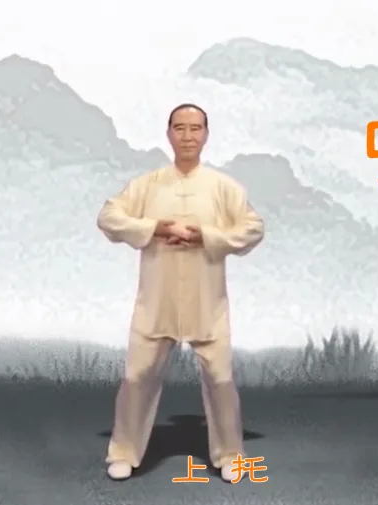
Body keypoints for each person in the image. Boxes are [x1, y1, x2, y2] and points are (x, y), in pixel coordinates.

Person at [96, 103, 265, 482]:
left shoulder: (223, 187)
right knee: (137, 376)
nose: (188, 136)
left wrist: (208, 236)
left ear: (206, 134)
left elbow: (253, 228)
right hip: (157, 301)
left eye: (196, 128)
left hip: (208, 303)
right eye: (180, 128)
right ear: (168, 133)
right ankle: (123, 451)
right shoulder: (147, 185)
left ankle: (230, 454)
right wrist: (155, 228)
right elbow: (108, 217)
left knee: (220, 379)